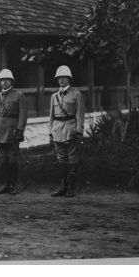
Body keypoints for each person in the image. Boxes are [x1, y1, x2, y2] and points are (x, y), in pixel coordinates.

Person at [0, 69, 27, 195]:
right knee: (2, 160)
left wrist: (20, 130)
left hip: (12, 130)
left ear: (11, 81)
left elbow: (23, 114)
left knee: (12, 159)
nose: (4, 82)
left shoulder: (18, 96)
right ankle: (5, 184)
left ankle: (13, 185)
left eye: (7, 80)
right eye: (2, 80)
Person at [49, 66, 85, 198]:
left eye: (64, 78)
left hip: (71, 129)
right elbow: (51, 116)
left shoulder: (76, 94)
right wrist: (50, 132)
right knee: (61, 160)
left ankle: (71, 187)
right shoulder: (54, 96)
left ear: (69, 79)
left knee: (73, 159)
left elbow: (80, 114)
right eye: (59, 78)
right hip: (58, 130)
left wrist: (79, 131)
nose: (62, 80)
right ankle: (63, 187)